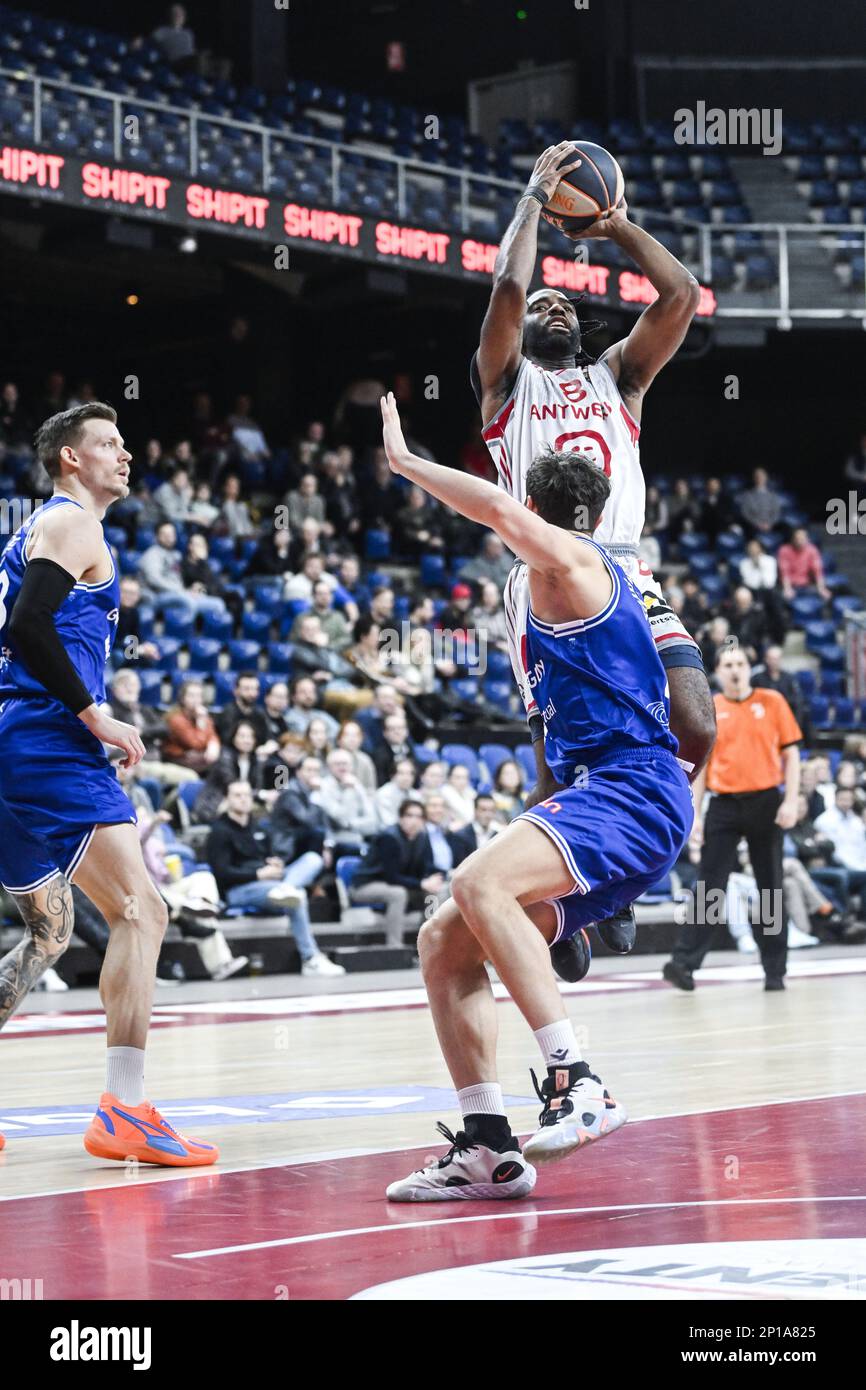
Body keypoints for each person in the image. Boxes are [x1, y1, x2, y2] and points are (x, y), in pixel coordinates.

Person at [379, 394, 692, 1200]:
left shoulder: (573, 563)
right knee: (444, 940)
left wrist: (408, 463)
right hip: (610, 795)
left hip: (633, 786)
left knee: (476, 881)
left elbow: (492, 508)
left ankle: (577, 1080)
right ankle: (487, 1146)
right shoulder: (547, 590)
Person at [471, 142, 715, 982]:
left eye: (566, 304)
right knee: (560, 760)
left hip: (625, 571)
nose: (553, 308)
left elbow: (681, 296)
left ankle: (611, 881)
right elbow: (507, 291)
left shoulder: (620, 379)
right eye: (543, 304)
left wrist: (618, 228)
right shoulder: (506, 387)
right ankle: (561, 897)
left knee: (697, 725)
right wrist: (534, 202)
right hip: (547, 576)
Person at [0, 402, 216, 1163]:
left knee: (50, 933)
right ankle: (124, 1110)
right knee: (141, 909)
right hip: (47, 740)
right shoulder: (72, 524)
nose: (125, 454)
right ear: (70, 457)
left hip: (16, 740)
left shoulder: (37, 531)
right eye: (109, 443)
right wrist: (94, 715)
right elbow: (27, 627)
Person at [664, 646, 802, 993]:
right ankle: (683, 964)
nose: (735, 669)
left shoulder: (772, 701)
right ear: (718, 672)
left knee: (770, 887)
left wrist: (790, 800)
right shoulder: (711, 706)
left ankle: (775, 970)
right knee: (710, 886)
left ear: (749, 668)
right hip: (724, 804)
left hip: (765, 801)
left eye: (740, 663)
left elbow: (792, 755)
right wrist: (695, 815)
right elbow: (702, 767)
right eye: (728, 664)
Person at [205, 782, 342, 978]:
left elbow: (266, 857)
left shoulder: (258, 826)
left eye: (246, 795)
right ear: (227, 799)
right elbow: (222, 873)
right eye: (237, 795)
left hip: (270, 884)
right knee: (297, 896)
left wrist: (274, 864)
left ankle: (285, 888)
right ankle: (310, 958)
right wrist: (259, 874)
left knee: (313, 859)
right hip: (239, 890)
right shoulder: (219, 831)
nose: (243, 799)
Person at [350, 799, 444, 947]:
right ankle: (394, 946)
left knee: (434, 892)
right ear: (401, 818)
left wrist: (441, 876)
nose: (414, 821)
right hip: (366, 885)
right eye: (409, 815)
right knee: (398, 894)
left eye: (419, 817)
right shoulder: (389, 837)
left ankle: (427, 943)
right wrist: (421, 883)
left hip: (400, 884)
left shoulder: (422, 837)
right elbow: (391, 877)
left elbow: (428, 866)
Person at [777, 527, 831, 601]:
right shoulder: (784, 550)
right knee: (783, 596)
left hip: (807, 585)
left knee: (827, 595)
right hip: (790, 585)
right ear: (793, 539)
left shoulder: (812, 550)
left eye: (803, 538)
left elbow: (818, 571)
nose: (800, 541)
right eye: (798, 538)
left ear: (807, 539)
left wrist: (822, 589)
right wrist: (787, 589)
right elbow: (784, 572)